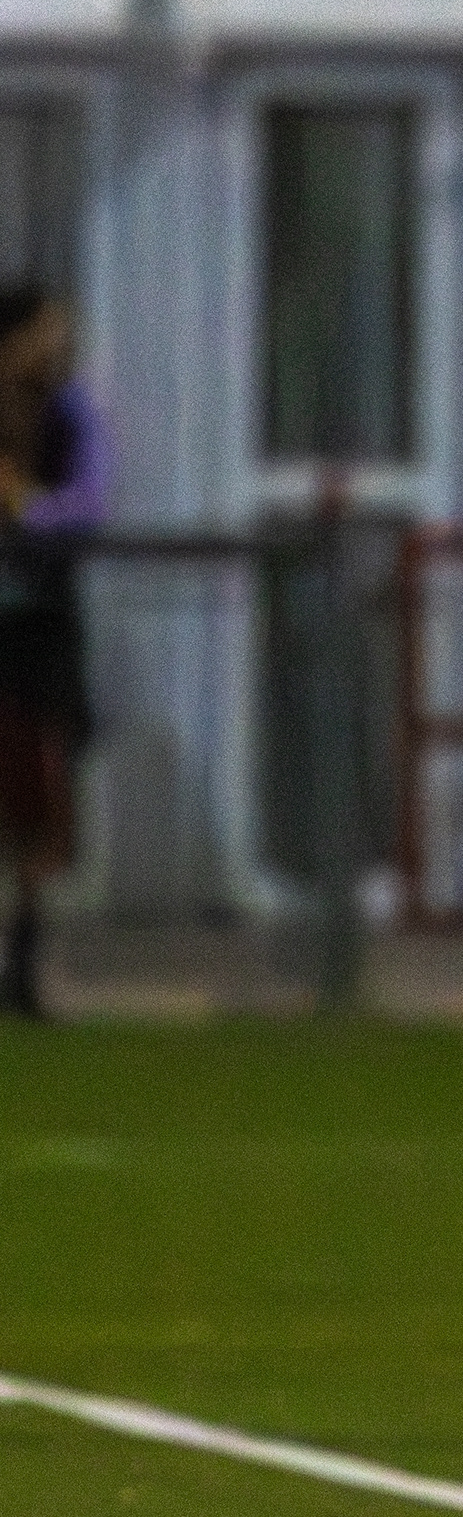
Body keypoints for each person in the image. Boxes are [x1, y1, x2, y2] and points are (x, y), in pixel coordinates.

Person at [0, 288, 107, 1018]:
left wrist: (24, 505)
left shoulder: (70, 415)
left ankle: (22, 962)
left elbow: (88, 504)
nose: (58, 342)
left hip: (41, 632)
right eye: (46, 330)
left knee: (42, 800)